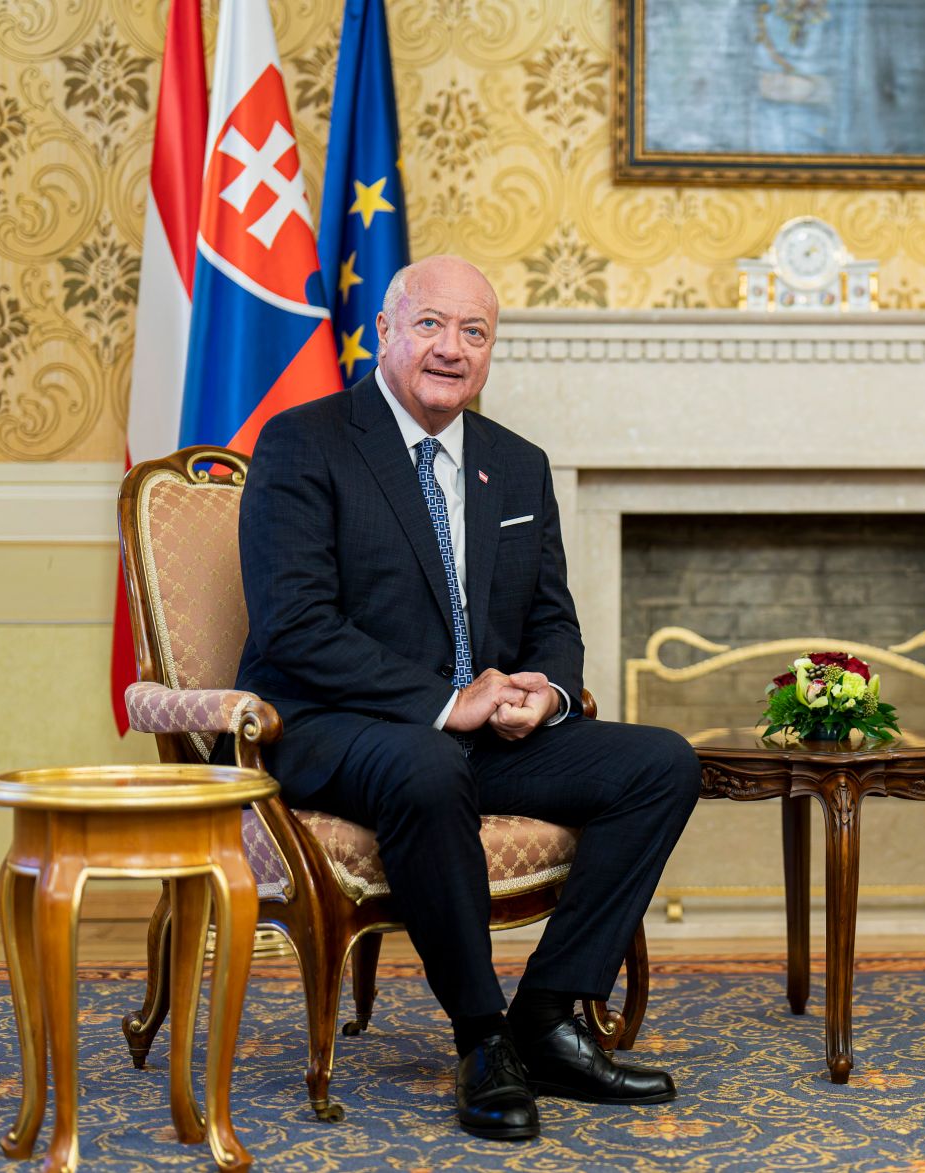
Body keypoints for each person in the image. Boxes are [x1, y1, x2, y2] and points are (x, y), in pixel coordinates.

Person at [228, 255, 702, 1142]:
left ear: (490, 351)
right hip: (335, 727)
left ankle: (549, 1016)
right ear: (385, 332)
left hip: (479, 735)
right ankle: (482, 1036)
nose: (452, 348)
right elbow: (296, 627)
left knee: (661, 763)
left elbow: (553, 619)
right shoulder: (305, 441)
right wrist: (450, 701)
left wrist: (546, 693)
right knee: (427, 758)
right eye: (431, 325)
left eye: (474, 332)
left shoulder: (516, 465)